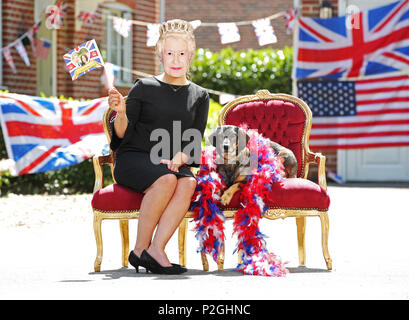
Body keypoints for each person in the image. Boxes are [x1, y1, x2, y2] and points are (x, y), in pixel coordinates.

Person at [108, 19, 209, 274]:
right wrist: (121, 113)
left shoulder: (200, 95)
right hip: (135, 158)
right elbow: (121, 136)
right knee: (166, 180)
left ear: (191, 56)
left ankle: (157, 248)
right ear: (161, 55)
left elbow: (195, 138)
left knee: (188, 182)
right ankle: (140, 250)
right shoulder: (144, 87)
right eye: (170, 53)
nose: (176, 59)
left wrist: (182, 155)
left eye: (182, 53)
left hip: (170, 162)